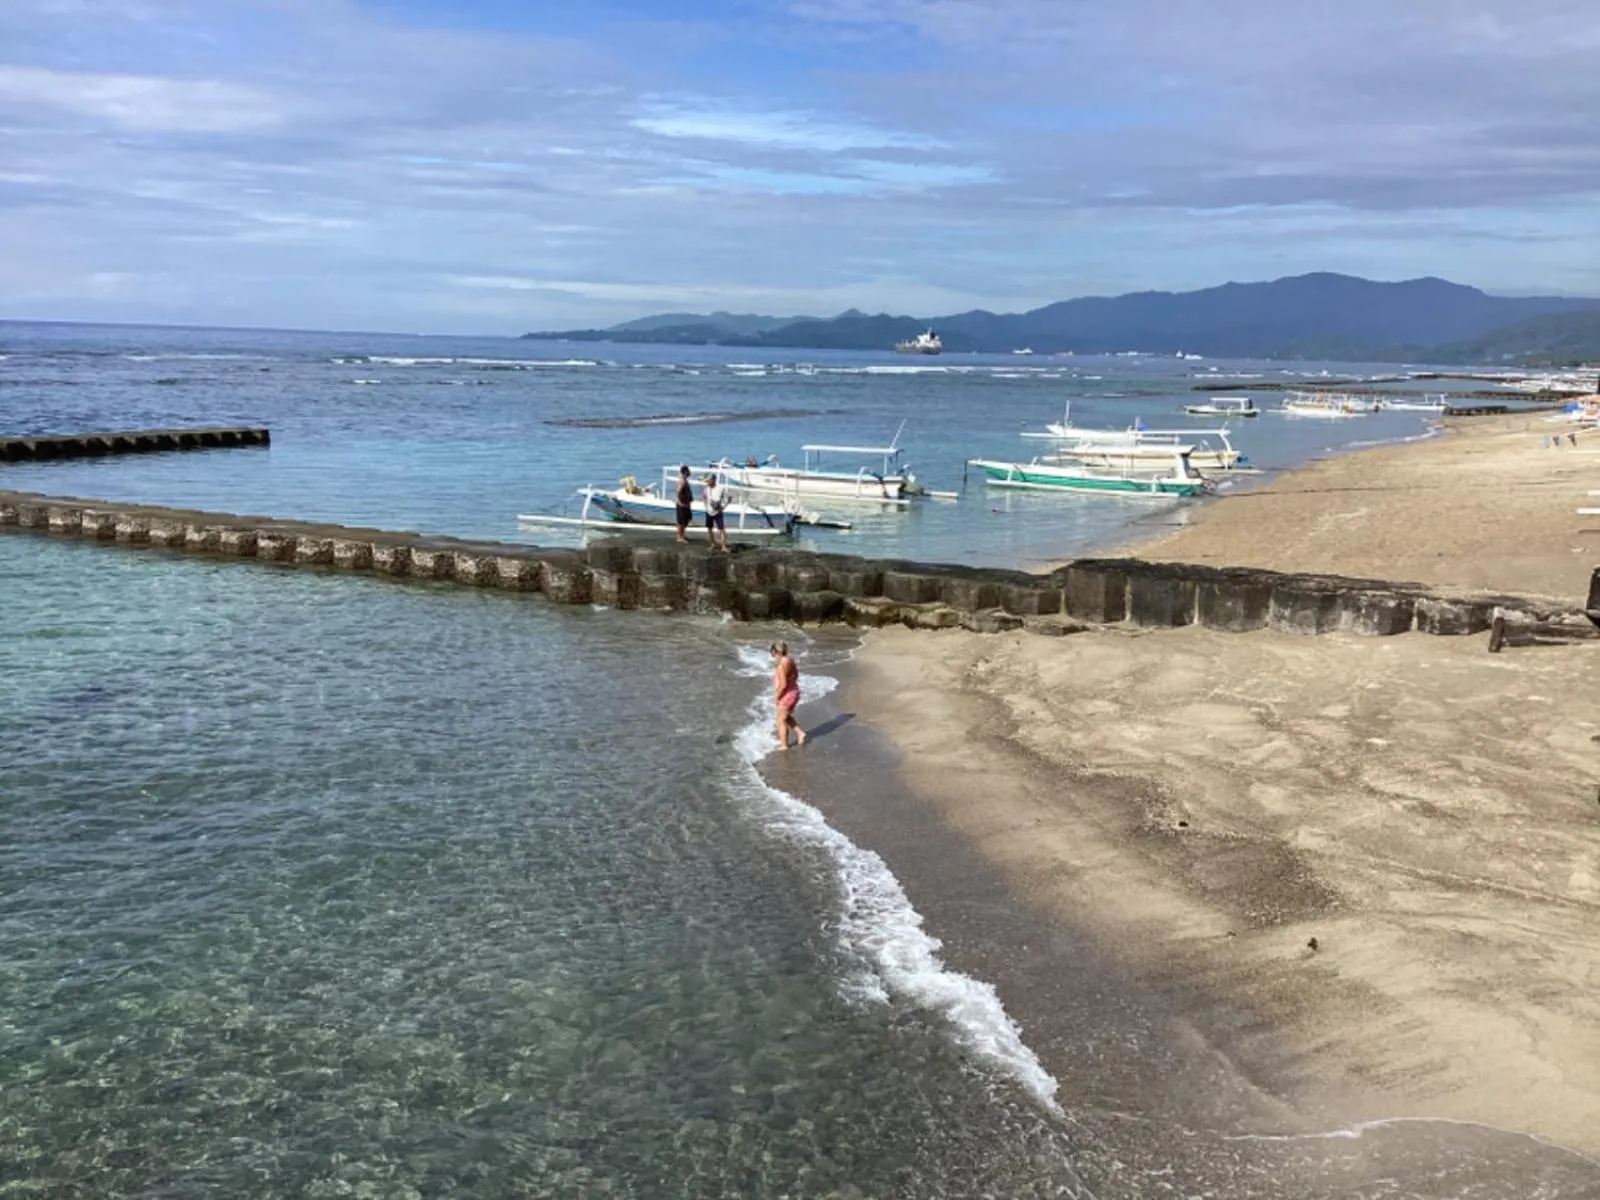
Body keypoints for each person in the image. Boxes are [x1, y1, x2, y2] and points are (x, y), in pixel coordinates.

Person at [771, 641, 805, 749]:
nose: (773, 657)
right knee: (785, 717)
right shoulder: (790, 661)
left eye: (773, 654)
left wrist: (778, 696)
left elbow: (783, 684)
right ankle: (800, 733)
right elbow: (795, 675)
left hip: (787, 694)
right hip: (794, 691)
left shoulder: (781, 665)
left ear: (776, 652)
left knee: (780, 720)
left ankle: (784, 745)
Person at [703, 471, 730, 554]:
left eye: (709, 481)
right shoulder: (706, 488)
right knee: (709, 528)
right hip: (708, 511)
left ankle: (723, 546)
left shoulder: (720, 488)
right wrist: (706, 507)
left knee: (722, 529)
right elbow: (704, 497)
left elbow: (727, 498)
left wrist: (723, 507)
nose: (707, 482)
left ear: (713, 480)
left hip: (718, 512)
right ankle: (712, 544)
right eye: (707, 481)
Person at [673, 465, 694, 544]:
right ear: (685, 472)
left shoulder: (685, 480)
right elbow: (678, 491)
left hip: (686, 505)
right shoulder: (682, 481)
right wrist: (681, 500)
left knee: (687, 519)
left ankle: (682, 534)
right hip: (682, 505)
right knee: (681, 522)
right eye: (688, 471)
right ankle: (679, 537)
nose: (690, 472)